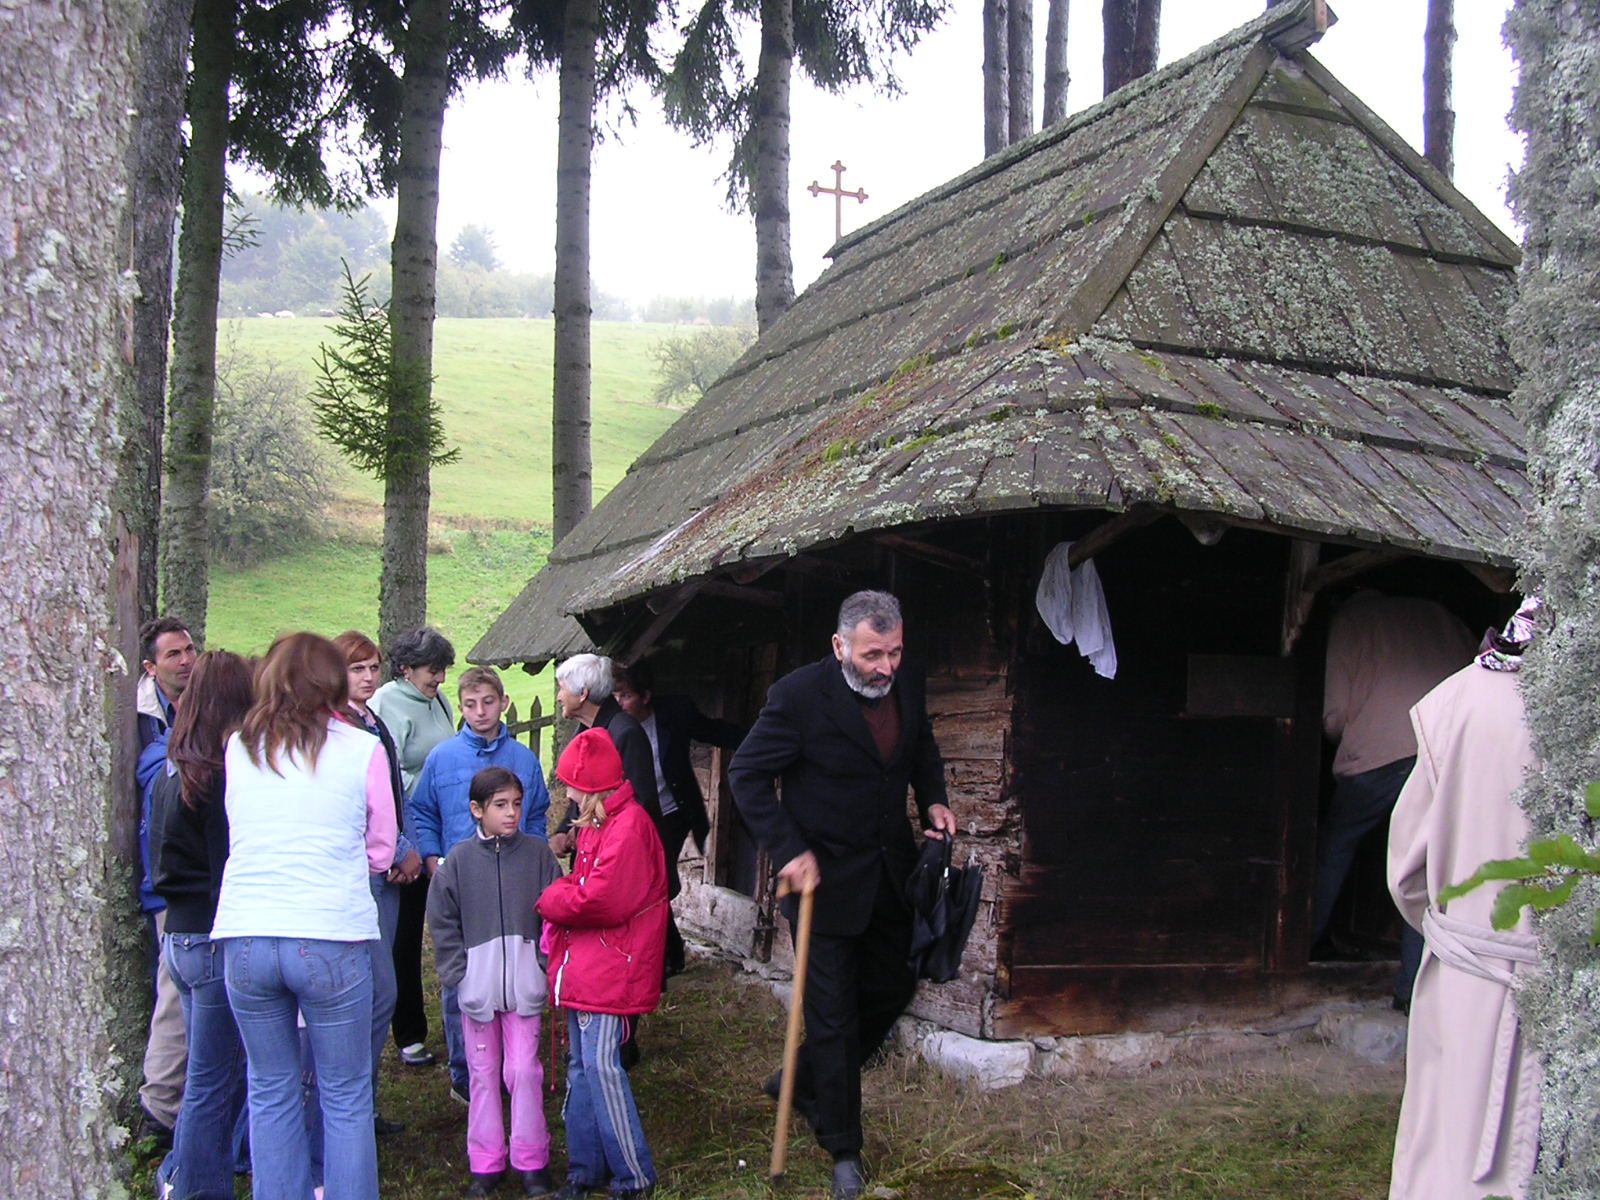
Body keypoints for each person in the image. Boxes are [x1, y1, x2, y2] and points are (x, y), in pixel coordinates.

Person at [729, 589, 955, 1200]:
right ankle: (844, 1149)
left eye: (895, 652)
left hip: (890, 876)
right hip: (820, 885)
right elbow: (745, 774)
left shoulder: (906, 683)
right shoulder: (799, 696)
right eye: (872, 654)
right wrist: (789, 849)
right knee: (831, 1017)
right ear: (839, 646)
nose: (885, 667)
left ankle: (800, 1085)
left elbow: (921, 747)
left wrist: (932, 794)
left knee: (893, 986)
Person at [211, 632, 397, 1200]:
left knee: (270, 1088)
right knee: (344, 1094)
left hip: (244, 931)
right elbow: (383, 848)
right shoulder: (361, 748)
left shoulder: (240, 745)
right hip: (329, 933)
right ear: (334, 682)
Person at [1386, 598, 1543, 1200]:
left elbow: (1407, 877)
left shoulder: (1465, 699)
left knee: (1453, 1166)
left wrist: (1462, 934)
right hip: (1515, 984)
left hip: (1471, 987)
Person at [1317, 590, 1475, 1007]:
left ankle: (1302, 947)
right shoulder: (1443, 613)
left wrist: (1342, 741)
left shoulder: (1351, 620)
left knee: (1336, 843)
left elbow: (1332, 710)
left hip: (1378, 755)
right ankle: (1411, 989)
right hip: (1443, 754)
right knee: (1425, 866)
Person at [409, 664, 552, 1104]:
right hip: (462, 880)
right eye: (470, 704)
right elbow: (422, 811)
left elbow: (537, 817)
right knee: (464, 974)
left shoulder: (523, 761)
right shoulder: (443, 757)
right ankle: (466, 1073)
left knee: (514, 971)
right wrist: (434, 859)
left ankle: (514, 1065)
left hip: (515, 882)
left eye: (488, 702)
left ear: (503, 703)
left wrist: (537, 869)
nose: (480, 711)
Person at [537, 730, 668, 1200]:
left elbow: (601, 900)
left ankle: (634, 1175)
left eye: (572, 785)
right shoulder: (599, 824)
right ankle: (585, 1170)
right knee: (582, 1067)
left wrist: (552, 897)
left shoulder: (629, 827)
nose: (567, 795)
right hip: (592, 965)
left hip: (613, 967)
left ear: (592, 786)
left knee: (600, 1066)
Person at [147, 650, 256, 1200]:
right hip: (213, 939)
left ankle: (181, 1174)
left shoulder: (174, 766)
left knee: (207, 1077)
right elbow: (227, 868)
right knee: (215, 1081)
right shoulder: (215, 777)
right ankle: (193, 1186)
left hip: (180, 937)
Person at [427, 767, 562, 1198]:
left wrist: (543, 964)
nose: (511, 814)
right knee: (483, 1074)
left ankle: (532, 1160)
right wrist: (458, 976)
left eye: (517, 804)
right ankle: (485, 1163)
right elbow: (442, 923)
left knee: (523, 1071)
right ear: (476, 810)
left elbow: (555, 915)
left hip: (525, 989)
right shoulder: (458, 863)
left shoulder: (540, 856)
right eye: (500, 805)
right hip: (478, 992)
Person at [611, 659, 746, 977]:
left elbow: (711, 730)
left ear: (645, 696)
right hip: (632, 817)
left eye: (626, 696)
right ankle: (668, 952)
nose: (619, 703)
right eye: (616, 695)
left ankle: (667, 956)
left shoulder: (673, 713)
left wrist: (759, 738)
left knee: (654, 880)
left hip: (670, 813)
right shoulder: (612, 726)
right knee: (645, 882)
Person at [369, 626, 458, 1070]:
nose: (439, 677)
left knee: (444, 929)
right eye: (432, 669)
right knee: (405, 938)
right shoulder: (385, 703)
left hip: (442, 829)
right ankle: (408, 1033)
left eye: (443, 669)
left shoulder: (439, 700)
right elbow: (382, 779)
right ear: (406, 668)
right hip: (407, 834)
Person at [136, 614, 198, 1147]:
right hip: (171, 884)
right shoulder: (148, 723)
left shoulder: (187, 711)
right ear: (151, 667)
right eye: (173, 654)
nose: (186, 660)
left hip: (189, 881)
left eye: (189, 650)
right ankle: (161, 1109)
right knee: (175, 995)